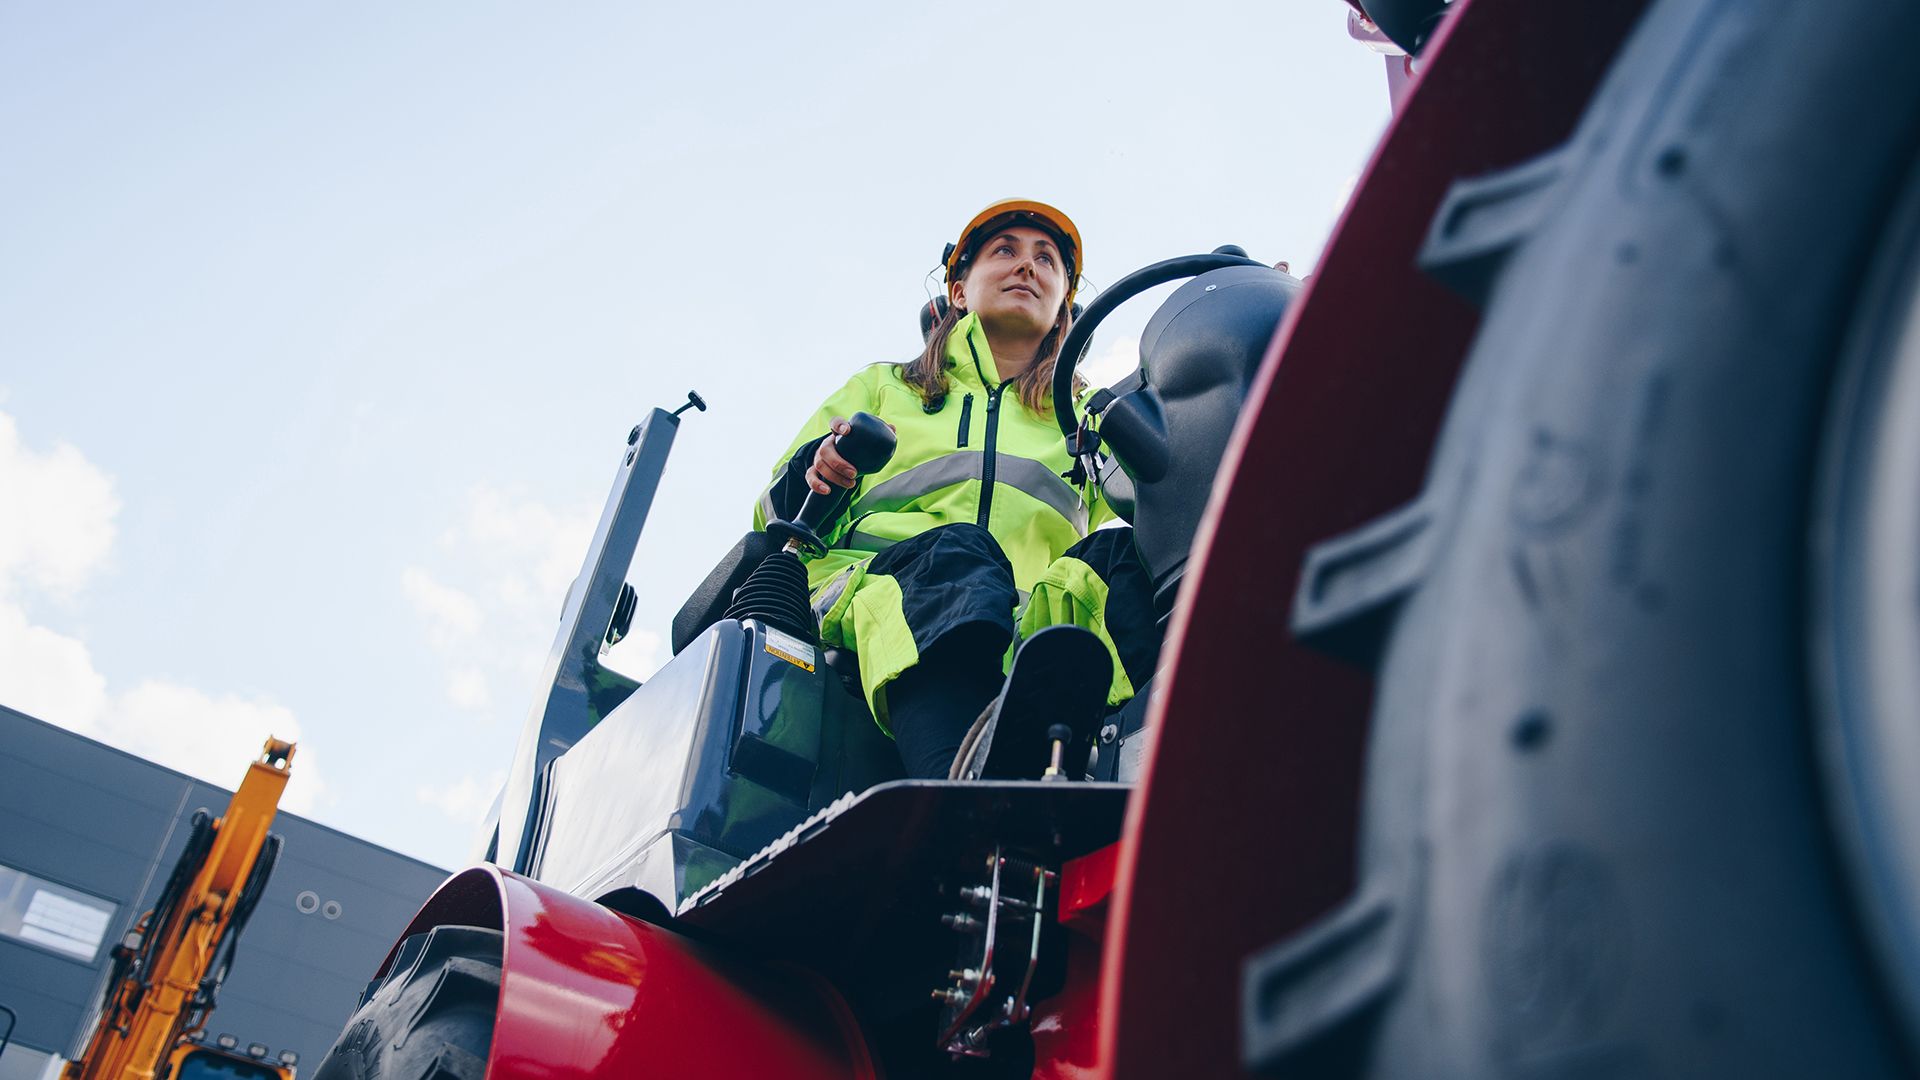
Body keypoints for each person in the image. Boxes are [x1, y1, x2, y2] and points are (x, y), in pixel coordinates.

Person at [753, 199, 1160, 778]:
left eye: (1046, 259)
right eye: (1005, 251)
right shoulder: (886, 387)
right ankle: (960, 787)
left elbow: (1172, 491)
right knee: (957, 551)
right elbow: (770, 514)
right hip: (873, 590)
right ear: (961, 291)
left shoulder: (1087, 416)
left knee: (1124, 561)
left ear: (1064, 306)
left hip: (1024, 635)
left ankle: (1160, 774)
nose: (1028, 266)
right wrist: (816, 469)